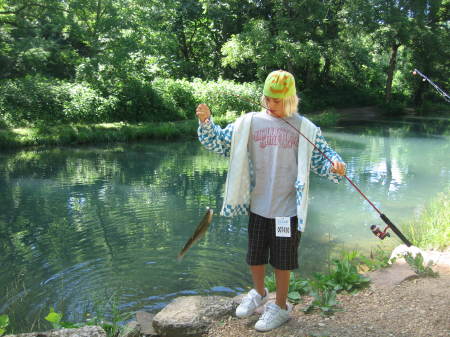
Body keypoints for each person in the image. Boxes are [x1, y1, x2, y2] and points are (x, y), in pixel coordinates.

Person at [195, 70, 346, 332]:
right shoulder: (249, 123)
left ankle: (281, 306)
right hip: (259, 205)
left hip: (287, 209)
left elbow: (323, 155)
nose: (271, 104)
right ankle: (259, 292)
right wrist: (207, 122)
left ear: (290, 100)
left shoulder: (304, 127)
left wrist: (336, 166)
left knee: (282, 260)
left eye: (278, 100)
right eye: (268, 99)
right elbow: (221, 143)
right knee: (254, 255)